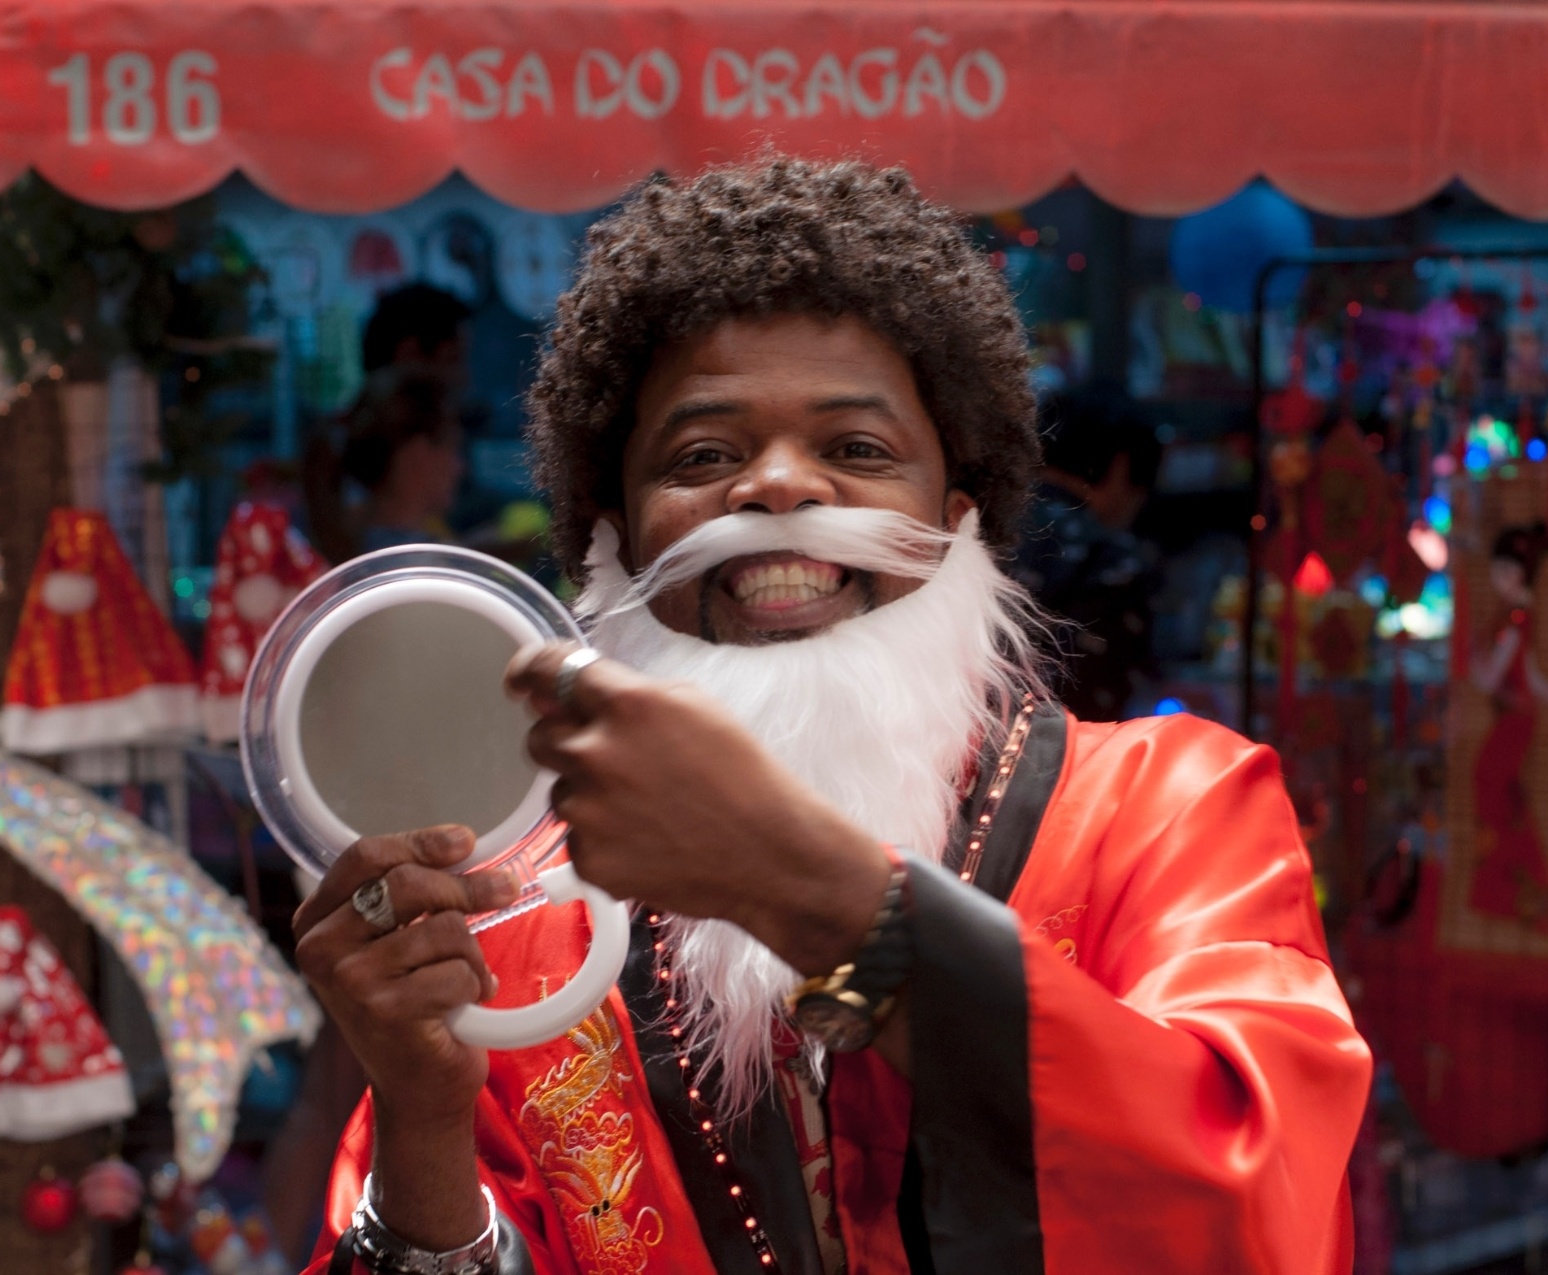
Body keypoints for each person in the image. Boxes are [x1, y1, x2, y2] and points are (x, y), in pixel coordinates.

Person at [293, 158, 1369, 1275]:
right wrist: (418, 1117)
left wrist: (801, 886)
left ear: (956, 519)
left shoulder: (1171, 811)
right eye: (704, 456)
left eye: (855, 450)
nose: (778, 488)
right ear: (614, 542)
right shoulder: (515, 920)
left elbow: (1254, 1211)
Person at [1011, 385, 1164, 719]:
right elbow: (1105, 713)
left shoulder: (971, 520)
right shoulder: (1109, 559)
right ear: (1123, 467)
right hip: (1062, 760)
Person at [1468, 520, 1548, 931]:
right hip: (1517, 717)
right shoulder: (1513, 616)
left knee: (1491, 785)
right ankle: (1524, 887)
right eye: (1498, 572)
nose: (1501, 581)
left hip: (1515, 719)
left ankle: (1515, 885)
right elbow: (1527, 673)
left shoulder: (1514, 619)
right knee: (1505, 798)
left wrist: (1477, 670)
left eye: (1509, 572)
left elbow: (1497, 675)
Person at [341, 370, 467, 554]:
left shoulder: (351, 549)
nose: (459, 467)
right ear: (418, 454)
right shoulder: (434, 568)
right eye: (452, 447)